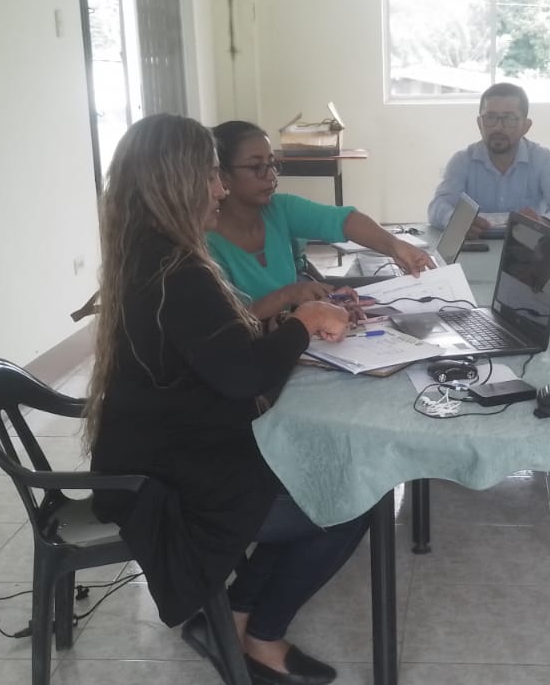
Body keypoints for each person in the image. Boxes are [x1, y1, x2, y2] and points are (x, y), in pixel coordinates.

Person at [85, 113, 363, 685]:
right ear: (177, 182)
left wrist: (288, 326)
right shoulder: (176, 271)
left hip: (168, 455)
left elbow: (216, 352)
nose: (220, 189)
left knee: (323, 476)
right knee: (349, 499)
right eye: (211, 175)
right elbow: (243, 377)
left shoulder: (152, 255)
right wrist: (304, 322)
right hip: (167, 486)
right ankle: (260, 635)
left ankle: (233, 622)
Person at [211, 120, 434, 319]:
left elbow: (345, 221)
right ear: (223, 175)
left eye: (272, 164)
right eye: (256, 167)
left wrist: (395, 246)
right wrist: (288, 295)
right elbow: (227, 325)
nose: (270, 175)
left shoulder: (280, 208)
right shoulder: (207, 244)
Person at [427, 82, 550, 234]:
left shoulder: (544, 160)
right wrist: (456, 221)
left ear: (526, 126)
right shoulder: (462, 161)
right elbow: (439, 205)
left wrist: (544, 222)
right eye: (490, 117)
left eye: (509, 118)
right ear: (479, 123)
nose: (498, 127)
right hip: (475, 243)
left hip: (526, 244)